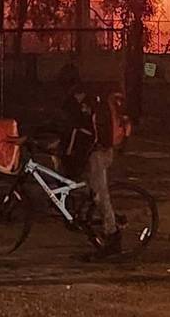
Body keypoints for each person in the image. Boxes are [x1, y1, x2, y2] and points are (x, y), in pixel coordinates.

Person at [58, 65, 121, 258]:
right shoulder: (76, 101)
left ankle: (113, 235)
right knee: (78, 183)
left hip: (98, 152)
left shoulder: (87, 102)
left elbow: (82, 131)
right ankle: (89, 213)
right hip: (89, 151)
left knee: (100, 195)